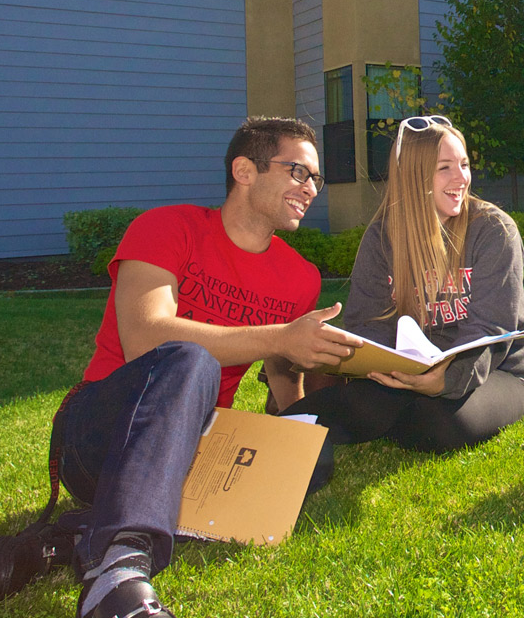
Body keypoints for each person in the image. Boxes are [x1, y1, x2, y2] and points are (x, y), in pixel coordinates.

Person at [52, 117, 362, 618]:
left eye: (316, 180)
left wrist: (298, 425)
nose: (311, 189)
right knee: (188, 359)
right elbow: (144, 337)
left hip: (201, 441)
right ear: (244, 169)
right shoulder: (166, 228)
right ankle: (118, 574)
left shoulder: (297, 276)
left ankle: (75, 535)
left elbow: (282, 367)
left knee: (313, 463)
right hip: (103, 433)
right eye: (298, 172)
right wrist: (280, 335)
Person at [276, 114, 524, 450]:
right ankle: (271, 436)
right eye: (445, 168)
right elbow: (366, 322)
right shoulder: (383, 236)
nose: (461, 178)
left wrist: (446, 379)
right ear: (414, 175)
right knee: (364, 407)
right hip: (407, 371)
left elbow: (491, 330)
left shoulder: (493, 231)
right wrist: (384, 366)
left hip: (496, 373)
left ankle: (404, 410)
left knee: (439, 423)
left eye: (465, 164)